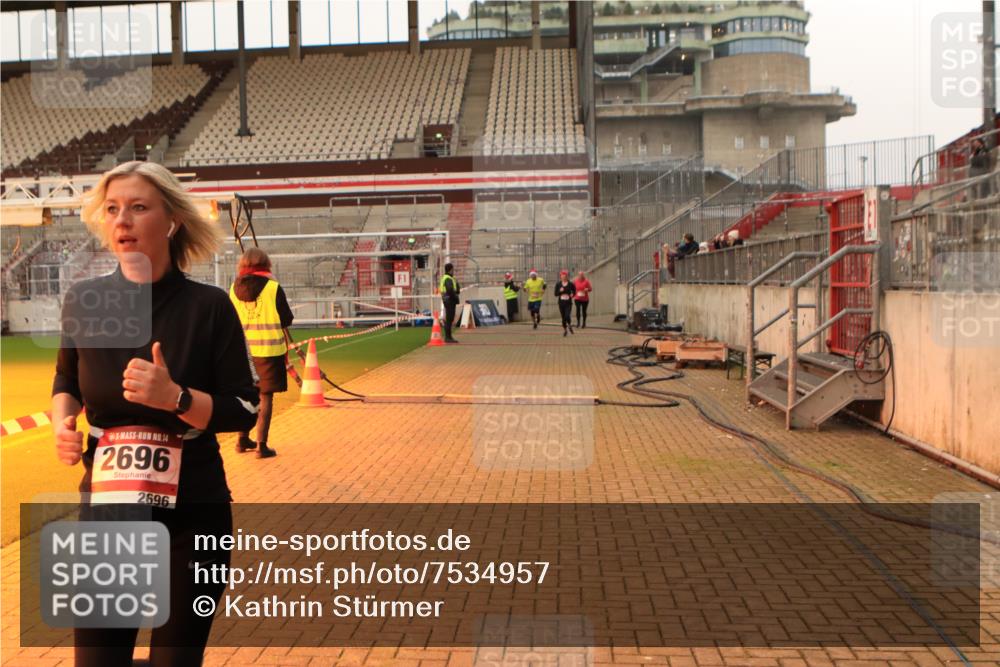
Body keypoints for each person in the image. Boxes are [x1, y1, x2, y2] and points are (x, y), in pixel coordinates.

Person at [52, 161, 259, 666]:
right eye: (113, 209)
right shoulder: (85, 300)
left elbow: (244, 408)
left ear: (170, 221)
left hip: (194, 512)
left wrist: (178, 399)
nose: (122, 220)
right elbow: (65, 382)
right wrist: (63, 422)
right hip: (108, 511)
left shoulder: (209, 307)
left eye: (138, 208)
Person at [229, 247, 293, 459]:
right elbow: (286, 320)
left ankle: (241, 439)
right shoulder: (273, 288)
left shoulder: (233, 289)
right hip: (268, 350)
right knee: (265, 398)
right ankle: (261, 446)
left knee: (247, 394)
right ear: (266, 264)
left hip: (243, 353)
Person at [439, 262, 460, 343]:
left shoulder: (447, 278)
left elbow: (456, 290)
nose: (453, 271)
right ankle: (448, 337)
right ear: (451, 269)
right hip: (450, 300)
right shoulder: (448, 278)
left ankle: (449, 336)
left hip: (447, 300)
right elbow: (450, 290)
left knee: (449, 319)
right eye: (453, 269)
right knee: (449, 319)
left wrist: (456, 283)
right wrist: (455, 297)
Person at [554, 270, 576, 336]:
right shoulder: (558, 284)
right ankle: (565, 330)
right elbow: (555, 294)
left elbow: (574, 291)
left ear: (567, 277)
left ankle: (569, 325)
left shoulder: (571, 284)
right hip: (561, 303)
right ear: (560, 277)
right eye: (562, 276)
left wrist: (573, 294)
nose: (563, 277)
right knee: (563, 317)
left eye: (565, 276)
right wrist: (560, 291)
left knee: (567, 315)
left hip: (568, 303)